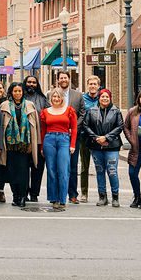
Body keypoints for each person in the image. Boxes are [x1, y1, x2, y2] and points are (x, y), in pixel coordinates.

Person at [82, 88, 123, 207]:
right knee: (99, 171)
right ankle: (102, 196)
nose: (104, 99)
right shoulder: (92, 111)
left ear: (110, 98)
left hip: (112, 146)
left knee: (112, 171)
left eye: (107, 97)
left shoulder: (116, 111)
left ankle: (115, 197)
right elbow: (86, 125)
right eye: (102, 97)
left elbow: (120, 126)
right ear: (99, 98)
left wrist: (106, 137)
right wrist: (96, 138)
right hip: (96, 146)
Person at [1, 82, 39, 207]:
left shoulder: (29, 105)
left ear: (23, 92)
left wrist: (35, 144)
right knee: (12, 172)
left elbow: (35, 127)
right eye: (15, 91)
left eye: (20, 91)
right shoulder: (5, 105)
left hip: (25, 145)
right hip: (10, 145)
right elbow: (1, 127)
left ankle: (23, 196)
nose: (17, 93)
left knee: (23, 172)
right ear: (11, 92)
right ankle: (15, 196)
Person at [40, 89, 77, 212]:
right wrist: (41, 147)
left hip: (64, 140)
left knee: (63, 169)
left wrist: (72, 145)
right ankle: (53, 198)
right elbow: (43, 130)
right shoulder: (45, 112)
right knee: (51, 170)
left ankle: (62, 199)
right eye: (54, 96)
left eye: (58, 96)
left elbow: (74, 129)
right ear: (51, 98)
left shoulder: (69, 110)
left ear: (62, 98)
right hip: (49, 140)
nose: (56, 98)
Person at [72, 76, 100, 203]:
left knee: (100, 166)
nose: (93, 86)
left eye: (95, 84)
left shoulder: (103, 98)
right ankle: (84, 192)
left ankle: (102, 193)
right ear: (87, 85)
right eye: (90, 84)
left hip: (99, 137)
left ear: (99, 85)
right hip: (84, 136)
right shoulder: (82, 99)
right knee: (84, 166)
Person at [22, 75, 48, 202]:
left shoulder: (43, 99)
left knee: (38, 167)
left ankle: (34, 193)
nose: (31, 84)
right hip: (23, 139)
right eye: (29, 82)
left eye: (33, 82)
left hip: (39, 139)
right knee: (23, 167)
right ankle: (24, 192)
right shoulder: (20, 97)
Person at [58, 71, 82, 205]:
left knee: (72, 166)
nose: (63, 80)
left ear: (69, 79)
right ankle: (58, 193)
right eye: (61, 78)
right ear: (58, 80)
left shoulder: (78, 95)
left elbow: (82, 113)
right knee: (59, 166)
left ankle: (73, 194)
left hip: (73, 135)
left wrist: (73, 127)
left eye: (65, 78)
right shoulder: (52, 95)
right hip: (57, 134)